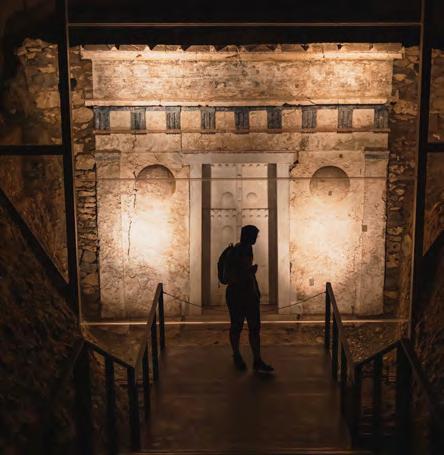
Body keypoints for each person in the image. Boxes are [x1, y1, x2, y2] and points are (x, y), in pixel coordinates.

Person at [225, 224, 274, 373]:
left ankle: (256, 360)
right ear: (248, 236)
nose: (256, 239)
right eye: (254, 236)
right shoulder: (238, 251)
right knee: (238, 326)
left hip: (248, 295)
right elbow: (235, 276)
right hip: (238, 296)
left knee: (253, 328)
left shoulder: (247, 249)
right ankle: (238, 356)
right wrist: (250, 272)